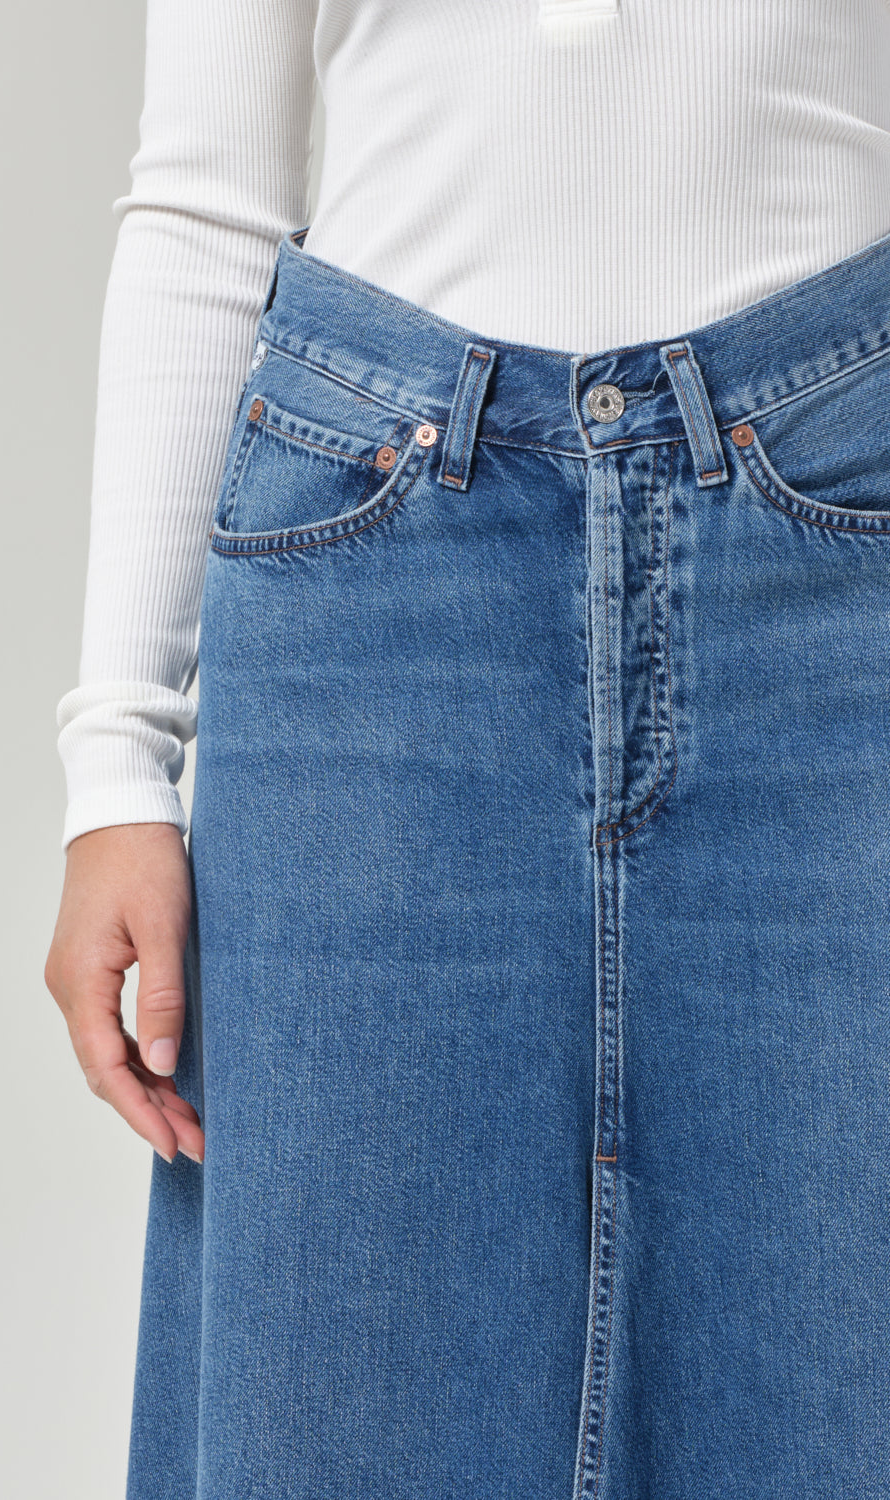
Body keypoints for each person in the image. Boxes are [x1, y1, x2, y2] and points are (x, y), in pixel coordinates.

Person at [44, 3, 890, 1495]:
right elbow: (204, 198)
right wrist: (117, 760)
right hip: (375, 584)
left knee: (840, 1371)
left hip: (834, 554)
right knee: (345, 1402)